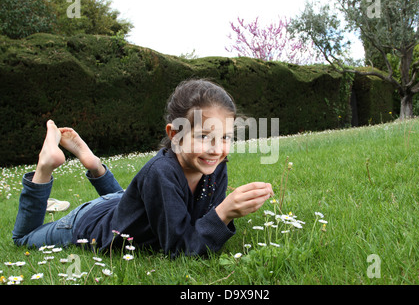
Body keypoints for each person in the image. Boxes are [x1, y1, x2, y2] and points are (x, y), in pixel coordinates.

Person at [12, 79, 274, 257]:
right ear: (174, 135)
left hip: (125, 204)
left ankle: (92, 163)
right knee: (23, 239)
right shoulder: (162, 172)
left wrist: (221, 212)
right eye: (204, 136)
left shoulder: (215, 167)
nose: (217, 149)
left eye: (225, 137)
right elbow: (179, 248)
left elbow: (195, 225)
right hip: (88, 222)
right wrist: (224, 213)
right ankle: (45, 166)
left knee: (124, 199)